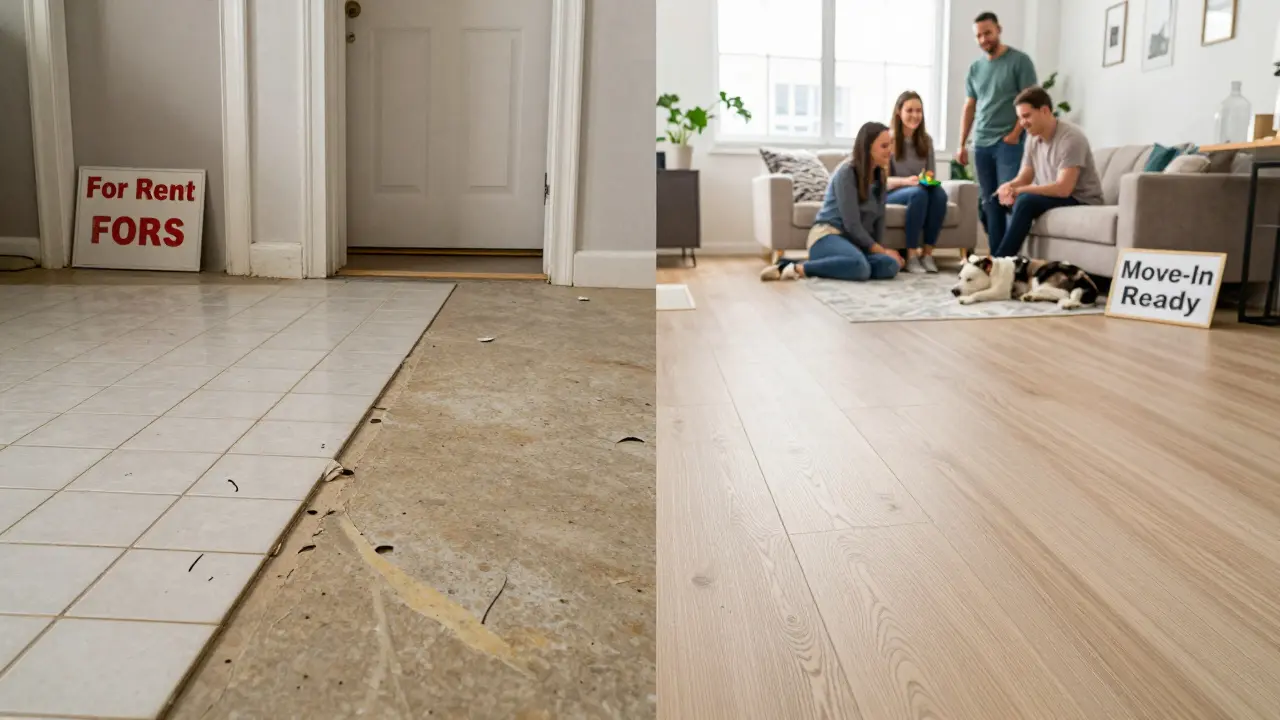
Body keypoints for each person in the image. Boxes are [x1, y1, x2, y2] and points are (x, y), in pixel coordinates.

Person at [760, 122, 904, 282]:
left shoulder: (880, 178)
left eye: (890, 144)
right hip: (828, 237)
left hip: (854, 244)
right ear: (867, 148)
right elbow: (852, 225)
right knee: (860, 268)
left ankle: (843, 263)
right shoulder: (847, 172)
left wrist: (880, 251)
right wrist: (881, 251)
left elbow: (879, 220)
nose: (890, 150)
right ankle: (795, 267)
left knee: (890, 265)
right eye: (884, 146)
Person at [956, 11, 1037, 254]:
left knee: (1008, 198)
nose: (983, 39)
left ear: (998, 30)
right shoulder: (975, 68)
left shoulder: (1019, 61)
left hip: (1008, 143)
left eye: (987, 33)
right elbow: (970, 106)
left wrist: (1014, 134)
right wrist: (962, 144)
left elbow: (1030, 101)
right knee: (989, 203)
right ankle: (996, 260)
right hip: (981, 143)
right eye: (978, 36)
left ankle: (1009, 259)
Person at [990, 86, 1104, 258]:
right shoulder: (1032, 138)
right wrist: (1007, 187)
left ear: (1044, 111)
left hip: (1080, 198)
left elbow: (1063, 188)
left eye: (1026, 116)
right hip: (1054, 195)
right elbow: (1025, 177)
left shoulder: (1071, 138)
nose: (1022, 123)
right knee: (993, 201)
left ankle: (1002, 261)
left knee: (1025, 201)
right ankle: (994, 261)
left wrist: (1020, 190)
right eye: (1020, 118)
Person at [886, 90, 946, 274]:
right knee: (918, 193)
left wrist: (926, 179)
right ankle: (911, 254)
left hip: (917, 188)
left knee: (939, 194)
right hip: (893, 191)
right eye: (910, 110)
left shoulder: (926, 141)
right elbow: (883, 181)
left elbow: (930, 174)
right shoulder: (888, 140)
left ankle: (927, 254)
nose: (915, 115)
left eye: (919, 111)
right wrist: (906, 181)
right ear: (899, 112)